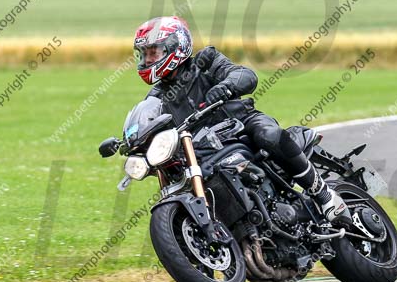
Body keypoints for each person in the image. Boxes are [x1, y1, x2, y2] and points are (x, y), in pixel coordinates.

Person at [132, 15, 350, 224]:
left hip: (240, 125)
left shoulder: (205, 63)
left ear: (175, 46)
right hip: (203, 151)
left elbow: (245, 75)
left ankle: (322, 193)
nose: (148, 59)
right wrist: (132, 140)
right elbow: (149, 124)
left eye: (154, 52)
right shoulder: (156, 98)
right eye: (145, 54)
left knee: (269, 135)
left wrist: (225, 87)